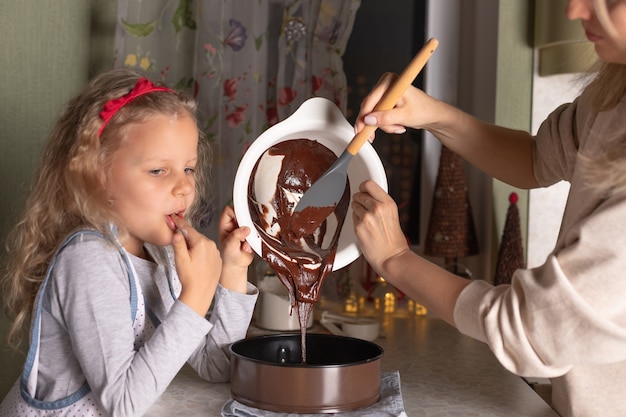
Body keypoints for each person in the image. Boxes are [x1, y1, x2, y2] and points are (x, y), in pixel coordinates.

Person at [351, 1, 626, 416]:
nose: (574, 10)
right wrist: (431, 114)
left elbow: (529, 330)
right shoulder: (617, 96)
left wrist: (396, 259)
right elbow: (536, 159)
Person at [0, 69, 258, 417]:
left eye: (189, 169)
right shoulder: (88, 260)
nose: (183, 187)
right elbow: (122, 403)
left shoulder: (160, 256)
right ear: (98, 175)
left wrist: (232, 273)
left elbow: (217, 367)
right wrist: (194, 298)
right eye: (158, 171)